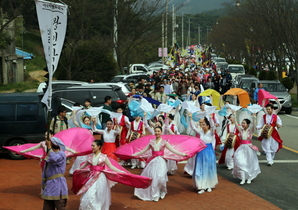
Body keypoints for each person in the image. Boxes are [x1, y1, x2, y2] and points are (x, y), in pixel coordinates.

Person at [132, 126, 187, 201]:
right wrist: (135, 154)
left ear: (161, 132)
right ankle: (155, 195)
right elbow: (143, 151)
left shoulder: (164, 142)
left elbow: (173, 150)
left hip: (161, 161)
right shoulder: (151, 141)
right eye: (156, 131)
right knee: (153, 178)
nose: (157, 132)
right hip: (153, 161)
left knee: (161, 178)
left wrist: (183, 154)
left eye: (158, 131)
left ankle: (163, 191)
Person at [73, 140, 126, 210]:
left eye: (93, 146)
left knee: (99, 195)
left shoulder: (104, 157)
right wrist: (77, 170)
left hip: (100, 178)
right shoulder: (89, 156)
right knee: (88, 194)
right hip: (91, 177)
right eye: (91, 145)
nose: (92, 147)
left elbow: (111, 166)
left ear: (99, 147)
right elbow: (84, 165)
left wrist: (121, 171)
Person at [189, 116, 218, 194]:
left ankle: (209, 185)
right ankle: (201, 186)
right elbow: (193, 127)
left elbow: (213, 127)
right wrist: (190, 118)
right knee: (200, 168)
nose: (202, 126)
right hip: (201, 152)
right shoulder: (201, 132)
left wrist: (211, 118)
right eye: (202, 125)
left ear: (208, 126)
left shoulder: (211, 133)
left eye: (204, 125)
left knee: (208, 168)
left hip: (209, 152)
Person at [233, 112, 261, 185]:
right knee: (240, 161)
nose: (242, 124)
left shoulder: (250, 130)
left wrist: (254, 117)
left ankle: (249, 178)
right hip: (241, 147)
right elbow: (236, 124)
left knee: (249, 163)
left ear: (248, 124)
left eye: (244, 123)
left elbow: (254, 126)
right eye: (242, 123)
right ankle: (242, 178)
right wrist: (235, 115)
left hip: (249, 148)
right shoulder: (241, 130)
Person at [41, 136, 68, 210]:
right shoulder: (49, 155)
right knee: (47, 207)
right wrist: (43, 183)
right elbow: (44, 171)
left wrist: (49, 148)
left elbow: (54, 158)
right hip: (49, 185)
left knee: (60, 206)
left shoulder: (61, 154)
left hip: (58, 185)